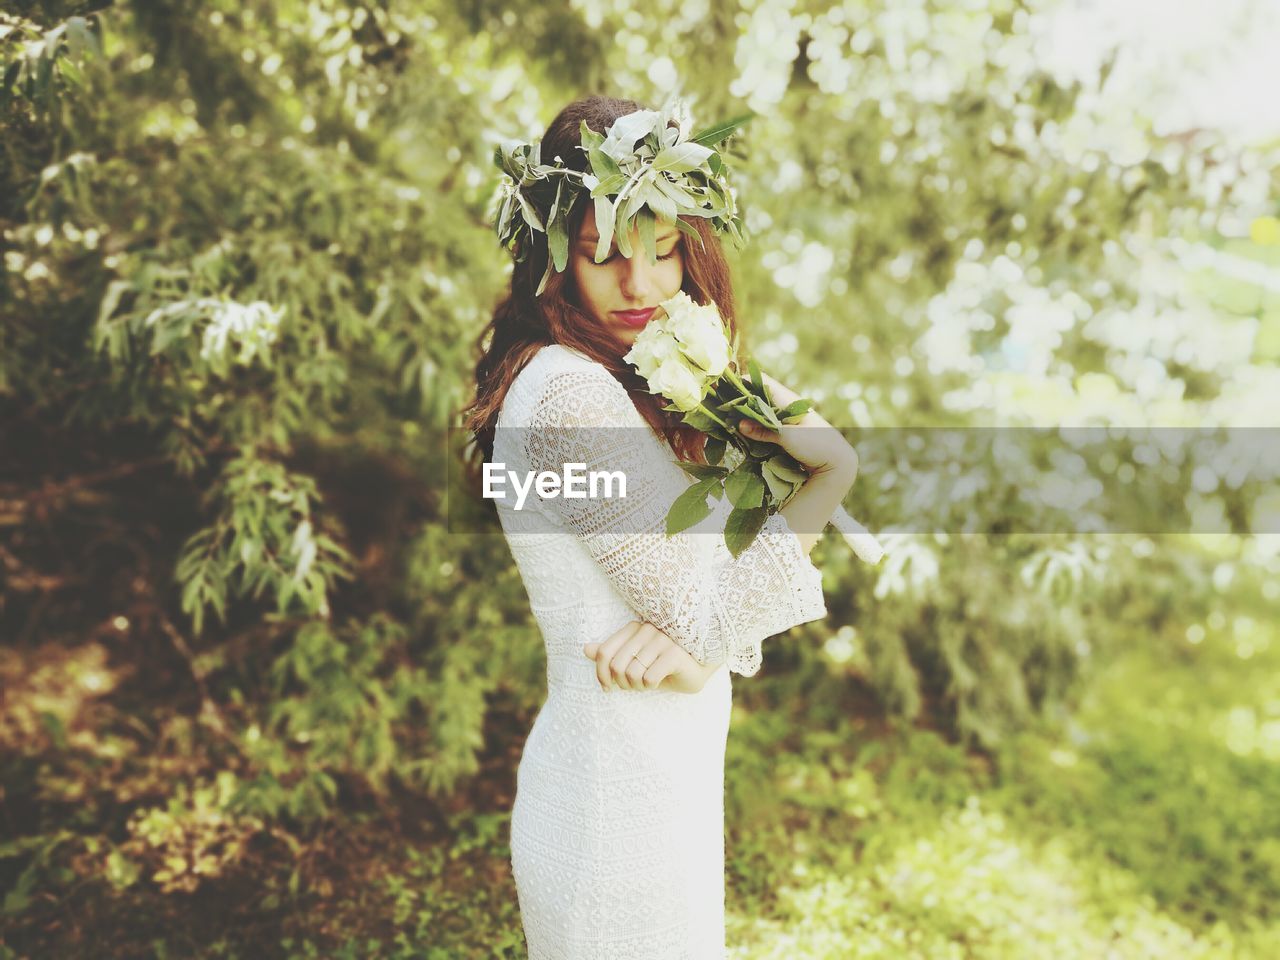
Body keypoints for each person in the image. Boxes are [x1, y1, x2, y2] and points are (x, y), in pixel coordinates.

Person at [460, 94, 859, 959]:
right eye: (604, 257)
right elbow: (711, 609)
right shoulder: (569, 395)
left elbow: (709, 589)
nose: (640, 286)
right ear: (554, 259)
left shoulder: (623, 379)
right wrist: (832, 473)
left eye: (666, 251)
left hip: (650, 785)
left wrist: (700, 647)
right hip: (613, 814)